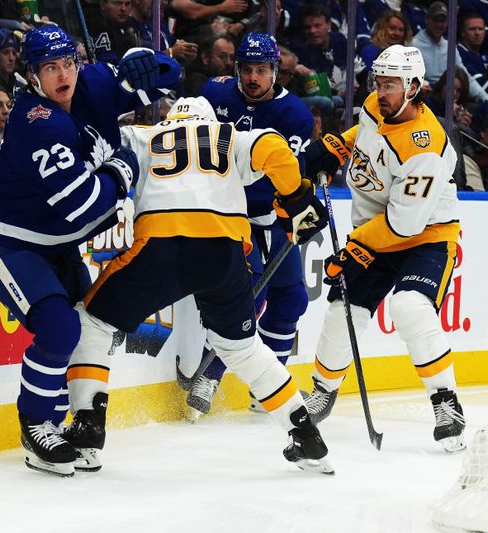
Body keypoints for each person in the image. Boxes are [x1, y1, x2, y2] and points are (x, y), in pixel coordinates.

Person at [64, 96, 331, 474]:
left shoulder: (146, 134)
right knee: (242, 348)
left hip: (161, 246)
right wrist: (297, 197)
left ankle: (88, 428)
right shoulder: (230, 135)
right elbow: (273, 146)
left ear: (172, 120)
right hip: (224, 253)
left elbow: (85, 140)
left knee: (91, 321)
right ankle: (304, 433)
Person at [0, 25, 181, 477]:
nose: (62, 74)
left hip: (59, 250)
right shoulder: (38, 123)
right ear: (32, 76)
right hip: (13, 247)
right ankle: (37, 425)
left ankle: (81, 425)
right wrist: (123, 168)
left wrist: (141, 64)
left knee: (87, 329)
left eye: (67, 63)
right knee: (59, 327)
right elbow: (81, 205)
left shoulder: (89, 81)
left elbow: (170, 75)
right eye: (49, 68)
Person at [302, 45, 466, 453]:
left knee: (409, 307)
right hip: (378, 230)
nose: (380, 90)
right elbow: (369, 134)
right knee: (344, 311)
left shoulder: (426, 150)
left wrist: (354, 247)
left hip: (425, 236)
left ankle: (446, 402)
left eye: (390, 83)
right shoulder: (378, 105)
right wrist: (340, 145)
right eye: (379, 81)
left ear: (414, 87)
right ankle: (324, 390)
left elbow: (404, 223)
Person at [185, 32, 315, 420]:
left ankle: (267, 384)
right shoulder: (215, 95)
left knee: (291, 300)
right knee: (246, 298)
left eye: (261, 70)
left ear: (276, 71)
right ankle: (210, 374)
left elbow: (272, 176)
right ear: (236, 69)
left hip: (270, 215)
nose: (253, 78)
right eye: (247, 69)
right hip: (226, 214)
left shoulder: (295, 115)